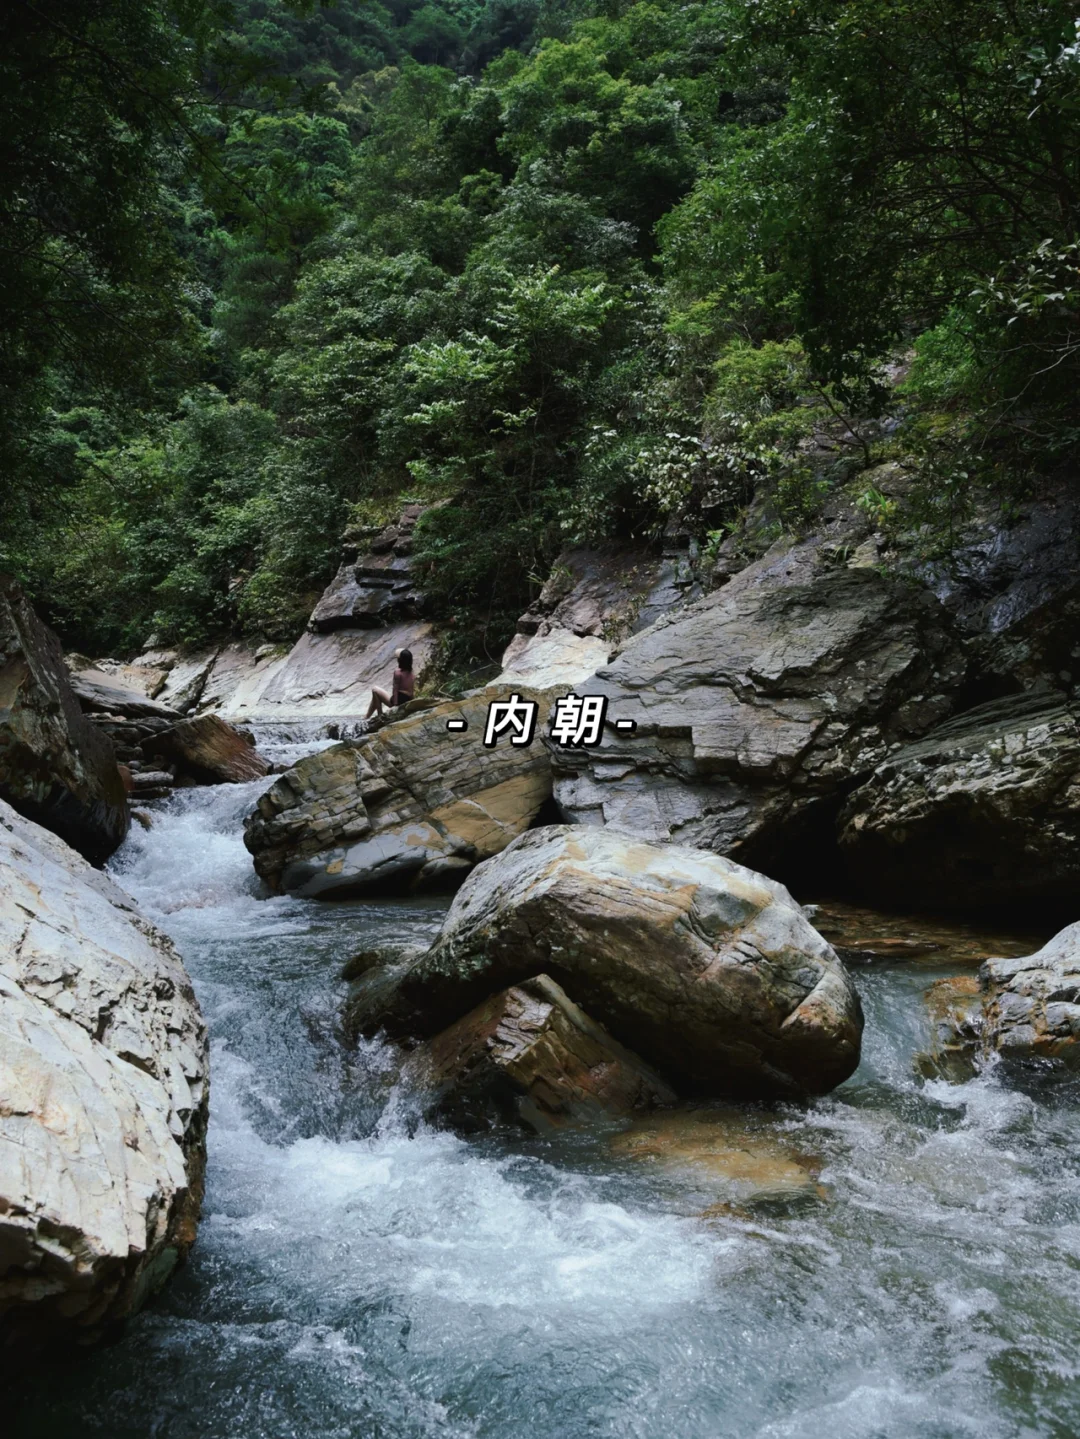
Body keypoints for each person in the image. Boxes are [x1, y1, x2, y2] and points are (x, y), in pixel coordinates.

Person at [367, 648, 415, 719]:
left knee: (375, 690)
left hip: (398, 702)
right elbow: (411, 690)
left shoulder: (398, 672)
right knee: (375, 698)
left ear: (400, 660)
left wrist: (395, 705)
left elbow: (395, 689)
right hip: (407, 700)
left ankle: (380, 715)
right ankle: (366, 717)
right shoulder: (412, 673)